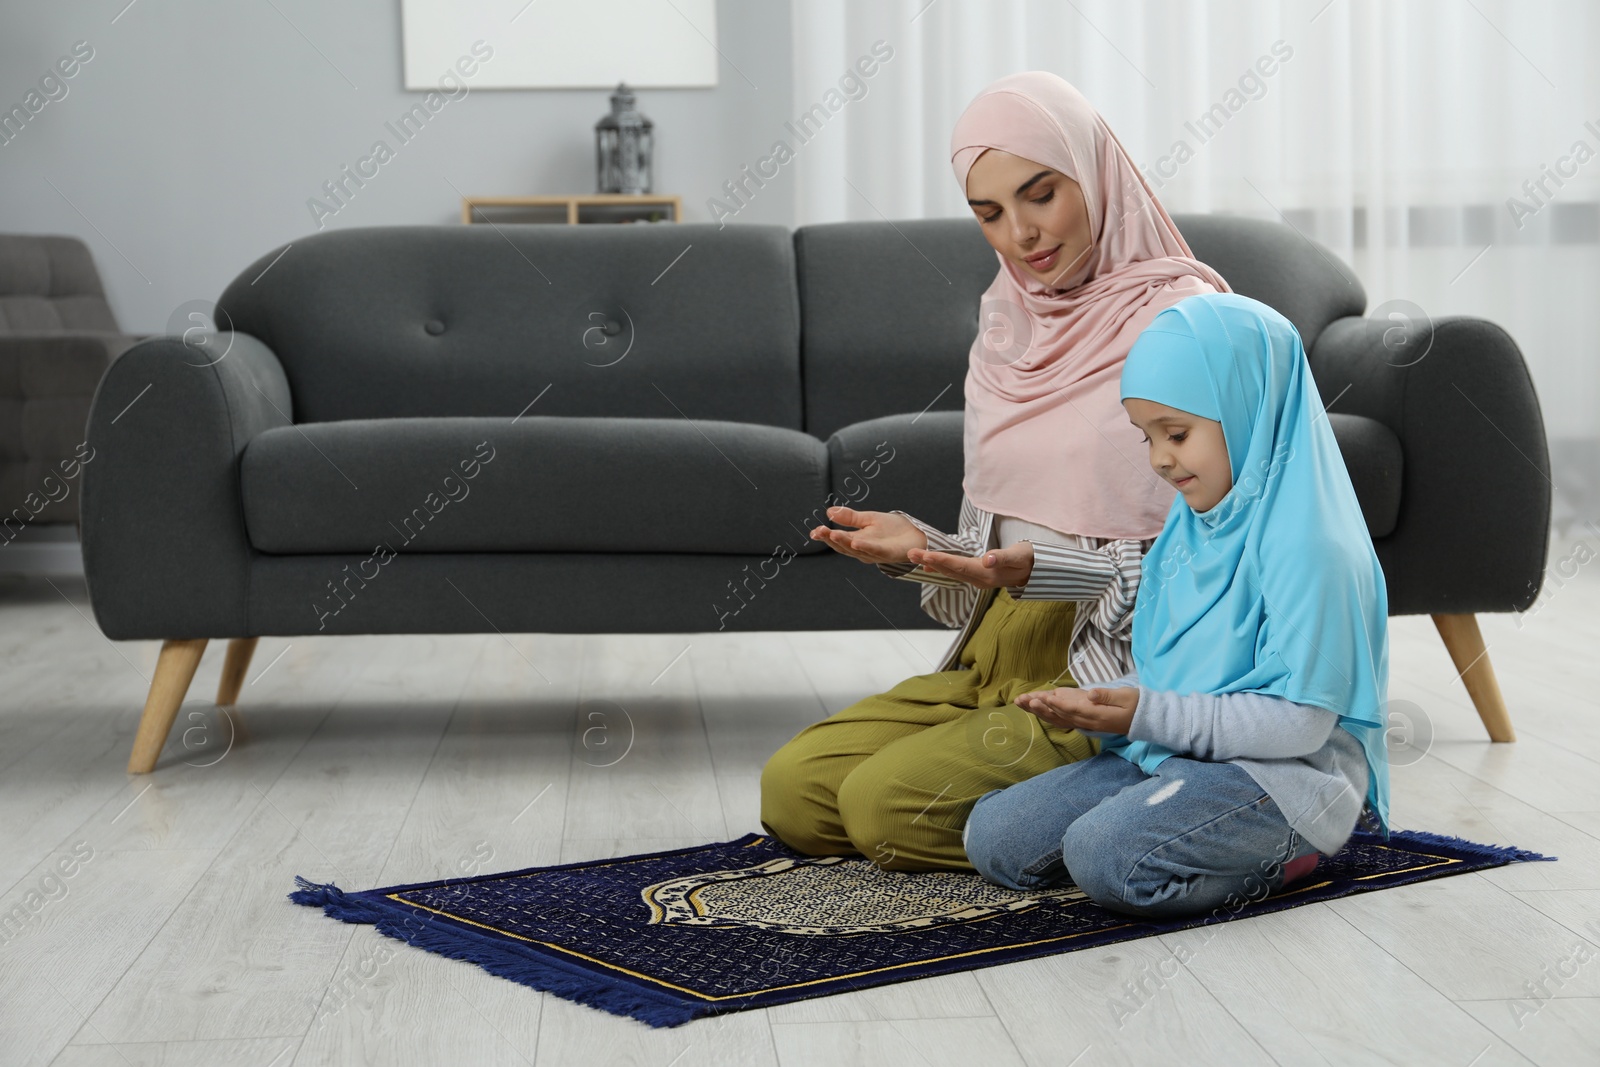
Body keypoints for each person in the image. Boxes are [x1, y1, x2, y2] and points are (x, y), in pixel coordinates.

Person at [758, 71, 1230, 871]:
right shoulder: (1007, 321)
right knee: (794, 790)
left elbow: (1221, 559)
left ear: (1095, 171)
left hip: (1113, 655)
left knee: (881, 810)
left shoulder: (1188, 324)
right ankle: (1045, 807)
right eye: (990, 213)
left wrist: (1048, 572)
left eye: (1040, 194)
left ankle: (1144, 801)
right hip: (994, 651)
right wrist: (925, 548)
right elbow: (994, 554)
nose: (1021, 234)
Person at [961, 291, 1393, 920]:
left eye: (1179, 433)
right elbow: (1183, 676)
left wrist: (1146, 713)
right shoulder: (1190, 530)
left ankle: (1293, 857)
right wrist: (1111, 703)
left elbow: (1303, 724)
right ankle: (1177, 827)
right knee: (995, 837)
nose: (1161, 460)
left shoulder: (1313, 546)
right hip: (1179, 756)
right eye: (1147, 437)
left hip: (1290, 778)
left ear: (1250, 409)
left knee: (1105, 859)